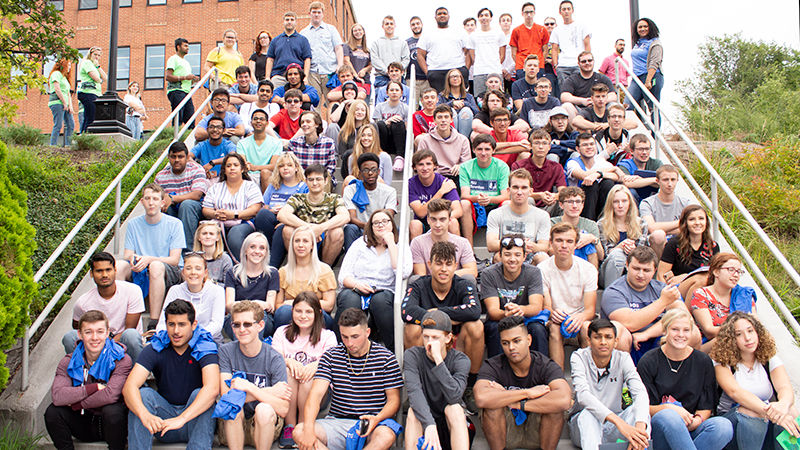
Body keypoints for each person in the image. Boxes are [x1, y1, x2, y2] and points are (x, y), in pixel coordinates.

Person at [293, 308, 403, 450]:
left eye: (355, 336)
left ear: (367, 332)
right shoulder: (331, 356)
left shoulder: (386, 358)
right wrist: (308, 429)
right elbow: (315, 395)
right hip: (337, 421)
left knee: (386, 435)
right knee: (300, 431)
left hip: (373, 421)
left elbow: (394, 401)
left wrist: (377, 419)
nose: (349, 343)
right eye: (344, 337)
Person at [123, 300, 219, 449]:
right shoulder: (158, 345)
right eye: (171, 324)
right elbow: (129, 386)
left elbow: (212, 388)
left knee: (200, 393)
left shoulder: (204, 345)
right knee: (143, 394)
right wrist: (144, 414)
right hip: (163, 423)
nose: (176, 331)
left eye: (182, 324)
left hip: (194, 420)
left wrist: (182, 418)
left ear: (193, 325)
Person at [402, 241, 483, 411]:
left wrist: (437, 312)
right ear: (430, 265)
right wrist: (448, 318)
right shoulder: (418, 284)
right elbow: (407, 312)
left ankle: (468, 387)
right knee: (411, 329)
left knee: (476, 326)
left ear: (455, 265)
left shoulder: (464, 284)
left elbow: (474, 311)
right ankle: (418, 388)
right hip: (427, 344)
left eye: (448, 264)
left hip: (455, 347)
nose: (444, 269)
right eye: (438, 263)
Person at [637, 309, 733, 450]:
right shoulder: (648, 361)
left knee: (723, 426)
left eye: (686, 330)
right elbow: (642, 407)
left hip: (690, 427)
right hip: (660, 428)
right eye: (675, 329)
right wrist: (669, 409)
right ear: (665, 330)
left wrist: (697, 420)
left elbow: (706, 407)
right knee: (669, 416)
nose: (681, 335)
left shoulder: (702, 361)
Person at [474, 315, 572, 450]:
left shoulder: (545, 365)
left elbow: (564, 399)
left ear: (529, 340)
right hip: (507, 432)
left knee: (555, 409)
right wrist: (527, 392)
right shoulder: (493, 365)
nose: (511, 347)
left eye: (516, 341)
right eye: (505, 343)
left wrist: (518, 404)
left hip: (537, 430)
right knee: (491, 407)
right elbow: (481, 398)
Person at [711, 312, 800, 450]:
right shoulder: (722, 362)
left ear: (758, 332)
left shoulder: (768, 358)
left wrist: (782, 406)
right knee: (752, 412)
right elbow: (736, 392)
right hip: (733, 423)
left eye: (750, 331)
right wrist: (774, 413)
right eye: (739, 334)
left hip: (766, 419)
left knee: (791, 411)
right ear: (731, 339)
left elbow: (785, 388)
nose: (747, 338)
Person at [45, 310, 132, 450]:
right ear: (80, 334)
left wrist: (77, 404)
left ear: (107, 332)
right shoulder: (68, 361)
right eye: (88, 332)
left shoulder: (121, 359)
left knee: (113, 411)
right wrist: (94, 387)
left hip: (112, 424)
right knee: (53, 412)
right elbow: (58, 396)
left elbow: (110, 394)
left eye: (99, 331)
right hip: (84, 422)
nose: (94, 337)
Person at [601, 246, 700, 360]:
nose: (640, 275)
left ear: (655, 270)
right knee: (618, 330)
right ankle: (622, 375)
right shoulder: (614, 291)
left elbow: (685, 318)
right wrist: (663, 301)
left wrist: (647, 334)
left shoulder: (661, 288)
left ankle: (677, 375)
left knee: (693, 333)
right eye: (636, 268)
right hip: (630, 342)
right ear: (627, 266)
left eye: (646, 270)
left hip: (657, 340)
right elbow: (629, 323)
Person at [569, 317, 651, 450]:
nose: (603, 342)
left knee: (641, 414)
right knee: (588, 414)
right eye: (597, 337)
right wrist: (619, 423)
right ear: (589, 340)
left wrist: (640, 429)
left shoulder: (623, 358)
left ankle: (639, 446)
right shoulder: (578, 357)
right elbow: (583, 396)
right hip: (585, 426)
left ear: (616, 341)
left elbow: (640, 391)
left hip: (614, 425)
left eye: (608, 337)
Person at [218, 300, 290, 450]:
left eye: (247, 324)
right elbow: (226, 397)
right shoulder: (226, 351)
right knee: (234, 408)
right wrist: (269, 391)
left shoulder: (274, 357)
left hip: (264, 425)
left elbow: (283, 408)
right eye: (236, 325)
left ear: (261, 326)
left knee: (264, 409)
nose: (241, 329)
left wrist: (249, 388)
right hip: (234, 424)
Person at [271, 292, 337, 448]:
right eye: (298, 311)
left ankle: (303, 425)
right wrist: (288, 361)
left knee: (309, 379)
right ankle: (290, 426)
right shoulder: (281, 332)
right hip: (288, 389)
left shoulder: (328, 336)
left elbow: (331, 363)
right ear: (292, 311)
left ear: (318, 313)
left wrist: (315, 366)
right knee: (288, 371)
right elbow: (275, 359)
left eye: (308, 311)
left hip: (317, 394)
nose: (303, 316)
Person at [338, 210, 411, 349]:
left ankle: (392, 350)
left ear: (392, 224)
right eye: (376, 222)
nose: (380, 225)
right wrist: (357, 284)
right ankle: (342, 349)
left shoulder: (400, 245)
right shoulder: (360, 244)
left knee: (380, 301)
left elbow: (404, 272)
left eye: (385, 221)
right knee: (349, 299)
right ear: (370, 227)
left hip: (384, 291)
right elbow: (343, 276)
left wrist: (391, 243)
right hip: (357, 288)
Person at [116, 184, 184, 330]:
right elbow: (128, 254)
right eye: (147, 198)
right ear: (142, 202)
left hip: (168, 270)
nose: (151, 202)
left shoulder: (175, 224)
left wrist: (149, 259)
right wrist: (135, 261)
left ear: (162, 202)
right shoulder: (134, 224)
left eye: (155, 199)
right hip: (140, 266)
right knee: (119, 266)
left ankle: (154, 321)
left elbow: (174, 260)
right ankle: (119, 315)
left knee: (155, 266)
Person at [403, 310, 472, 450]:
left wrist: (438, 360)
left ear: (448, 338)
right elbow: (414, 393)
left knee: (455, 409)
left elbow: (455, 396)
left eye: (435, 337)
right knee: (412, 411)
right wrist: (429, 424)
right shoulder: (412, 355)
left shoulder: (461, 360)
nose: (429, 342)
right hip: (425, 422)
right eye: (426, 337)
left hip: (449, 425)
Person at [63, 252, 144, 360]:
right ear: (91, 274)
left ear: (115, 270)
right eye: (99, 271)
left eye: (108, 270)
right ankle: (82, 374)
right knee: (70, 337)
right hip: (96, 345)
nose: (104, 275)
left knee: (131, 335)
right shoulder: (83, 302)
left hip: (124, 344)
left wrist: (107, 342)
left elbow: (129, 328)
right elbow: (78, 327)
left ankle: (137, 374)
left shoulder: (133, 291)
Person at [539, 223, 598, 368]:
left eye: (569, 241)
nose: (564, 245)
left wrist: (579, 318)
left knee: (586, 327)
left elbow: (590, 310)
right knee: (554, 328)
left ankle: (587, 375)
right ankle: (558, 377)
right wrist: (553, 313)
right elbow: (546, 306)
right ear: (551, 243)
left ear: (576, 244)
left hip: (580, 318)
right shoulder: (542, 269)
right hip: (556, 320)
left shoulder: (588, 269)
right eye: (559, 240)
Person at [481, 234, 547, 357]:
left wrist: (520, 309)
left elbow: (536, 307)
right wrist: (506, 314)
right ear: (500, 255)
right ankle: (497, 372)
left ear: (524, 256)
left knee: (537, 329)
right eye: (507, 254)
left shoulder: (534, 272)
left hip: (525, 319)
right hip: (500, 319)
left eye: (517, 255)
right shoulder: (489, 273)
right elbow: (493, 311)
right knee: (494, 328)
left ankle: (541, 370)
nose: (512, 259)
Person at [275, 165, 349, 266]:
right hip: (302, 241)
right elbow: (282, 214)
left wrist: (320, 228)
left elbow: (345, 216)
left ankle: (324, 270)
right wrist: (308, 228)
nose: (314, 183)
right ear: (306, 181)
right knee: (287, 230)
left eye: (318, 179)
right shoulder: (298, 198)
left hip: (326, 243)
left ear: (326, 180)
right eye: (311, 179)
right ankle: (300, 266)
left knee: (337, 232)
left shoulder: (334, 198)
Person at [274, 226, 338, 332]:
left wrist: (298, 304)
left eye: (305, 241)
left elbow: (329, 305)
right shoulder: (283, 272)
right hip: (291, 317)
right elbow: (278, 305)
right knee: (283, 312)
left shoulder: (324, 270)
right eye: (297, 241)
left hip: (317, 317)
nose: (300, 245)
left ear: (312, 245)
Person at [201, 153, 263, 260]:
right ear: (224, 170)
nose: (232, 168)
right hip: (218, 222)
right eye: (228, 166)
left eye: (235, 165)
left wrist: (234, 214)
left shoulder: (250, 186)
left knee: (235, 235)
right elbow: (206, 209)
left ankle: (242, 268)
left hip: (243, 222)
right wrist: (215, 214)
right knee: (207, 234)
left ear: (242, 169)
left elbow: (255, 209)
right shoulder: (216, 187)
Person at [691, 253, 755, 352]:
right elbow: (709, 331)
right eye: (731, 270)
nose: (736, 275)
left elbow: (755, 324)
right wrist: (739, 330)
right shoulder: (701, 295)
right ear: (716, 272)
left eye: (739, 271)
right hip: (711, 345)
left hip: (742, 343)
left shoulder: (744, 295)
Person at [486, 168, 551, 265]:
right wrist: (519, 243)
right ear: (509, 190)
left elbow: (544, 246)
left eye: (524, 188)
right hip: (506, 253)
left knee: (543, 257)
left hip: (530, 255)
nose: (519, 192)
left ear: (530, 191)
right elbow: (491, 245)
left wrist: (531, 246)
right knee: (498, 257)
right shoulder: (496, 214)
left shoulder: (542, 215)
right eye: (515, 187)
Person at [157, 252, 225, 342]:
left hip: (208, 340)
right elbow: (162, 323)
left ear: (205, 273)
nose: (193, 272)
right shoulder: (175, 290)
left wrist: (192, 337)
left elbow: (217, 325)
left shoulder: (217, 291)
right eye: (188, 268)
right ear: (183, 272)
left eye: (198, 269)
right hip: (177, 340)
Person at [224, 232, 280, 340]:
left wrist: (244, 305)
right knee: (241, 319)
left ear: (266, 252)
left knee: (260, 314)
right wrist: (255, 304)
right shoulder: (233, 272)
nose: (257, 251)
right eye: (252, 247)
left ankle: (251, 353)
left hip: (262, 320)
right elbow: (229, 306)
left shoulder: (272, 273)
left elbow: (270, 306)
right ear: (245, 250)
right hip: (235, 318)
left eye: (262, 248)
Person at [657, 204, 720, 299]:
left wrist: (686, 276)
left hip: (704, 290)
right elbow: (661, 275)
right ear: (685, 223)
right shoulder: (674, 244)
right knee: (700, 281)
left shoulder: (713, 246)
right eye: (692, 219)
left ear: (706, 222)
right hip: (679, 290)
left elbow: (715, 274)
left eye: (701, 219)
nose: (697, 222)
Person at [459, 134, 510, 245]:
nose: (483, 153)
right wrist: (477, 198)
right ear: (473, 150)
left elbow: (505, 195)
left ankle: (504, 248)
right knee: (464, 203)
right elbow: (464, 195)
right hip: (475, 204)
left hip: (495, 204)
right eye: (479, 149)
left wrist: (489, 199)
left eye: (487, 149)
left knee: (507, 203)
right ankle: (469, 249)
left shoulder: (502, 166)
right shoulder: (465, 167)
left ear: (493, 150)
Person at [156, 142, 208, 248]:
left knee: (186, 205)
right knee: (164, 207)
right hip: (173, 209)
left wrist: (172, 198)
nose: (177, 160)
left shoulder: (196, 169)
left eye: (180, 156)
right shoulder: (161, 176)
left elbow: (197, 195)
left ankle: (188, 251)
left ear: (187, 157)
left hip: (194, 209)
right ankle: (168, 249)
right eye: (173, 157)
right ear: (168, 157)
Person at [411, 199, 477, 280]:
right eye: (433, 219)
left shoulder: (462, 242)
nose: (438, 224)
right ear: (428, 220)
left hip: (455, 285)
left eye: (442, 219)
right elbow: (421, 275)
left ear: (449, 220)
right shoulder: (418, 242)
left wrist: (445, 274)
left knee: (470, 278)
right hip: (429, 287)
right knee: (415, 279)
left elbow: (472, 271)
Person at [254, 152, 308, 252]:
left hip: (291, 221)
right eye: (281, 166)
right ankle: (265, 248)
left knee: (282, 228)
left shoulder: (303, 187)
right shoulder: (273, 185)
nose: (285, 168)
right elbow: (264, 206)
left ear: (296, 167)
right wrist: (271, 209)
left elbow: (304, 211)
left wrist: (284, 219)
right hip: (272, 220)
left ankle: (273, 264)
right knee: (263, 214)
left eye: (289, 165)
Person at [342, 153, 398, 251]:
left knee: (396, 229)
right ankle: (351, 262)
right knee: (350, 229)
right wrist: (368, 226)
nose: (370, 173)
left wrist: (376, 226)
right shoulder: (350, 190)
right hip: (360, 228)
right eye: (366, 170)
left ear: (379, 171)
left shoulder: (390, 191)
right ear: (360, 173)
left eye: (374, 169)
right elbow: (352, 217)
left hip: (381, 228)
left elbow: (389, 216)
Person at [597, 185, 649, 287]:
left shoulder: (641, 223)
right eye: (616, 202)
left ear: (630, 203)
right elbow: (604, 255)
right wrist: (620, 247)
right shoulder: (601, 224)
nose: (620, 205)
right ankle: (612, 295)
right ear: (610, 204)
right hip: (608, 271)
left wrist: (634, 251)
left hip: (633, 269)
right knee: (618, 254)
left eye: (624, 201)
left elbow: (643, 254)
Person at [639, 165, 694, 257]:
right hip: (655, 247)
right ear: (657, 181)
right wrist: (682, 222)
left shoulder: (685, 203)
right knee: (658, 235)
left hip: (680, 242)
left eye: (673, 180)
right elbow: (652, 228)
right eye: (665, 180)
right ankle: (660, 269)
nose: (669, 184)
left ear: (677, 181)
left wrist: (663, 228)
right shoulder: (647, 203)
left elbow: (691, 227)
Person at [565, 132, 622, 221]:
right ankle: (589, 222)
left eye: (592, 144)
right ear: (578, 149)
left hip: (599, 202)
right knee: (591, 184)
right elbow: (584, 175)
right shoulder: (573, 162)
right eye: (585, 145)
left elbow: (617, 177)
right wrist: (612, 169)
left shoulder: (600, 162)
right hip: (579, 203)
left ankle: (605, 220)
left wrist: (600, 174)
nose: (589, 147)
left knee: (608, 183)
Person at [408, 149, 462, 239]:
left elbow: (458, 210)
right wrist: (441, 192)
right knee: (414, 224)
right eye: (421, 164)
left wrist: (440, 219)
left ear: (435, 166)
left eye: (428, 164)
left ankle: (457, 252)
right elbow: (420, 213)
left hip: (443, 222)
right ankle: (415, 253)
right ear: (414, 167)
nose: (425, 168)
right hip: (423, 223)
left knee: (453, 222)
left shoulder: (445, 182)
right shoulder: (411, 183)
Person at [300, 1, 344, 111]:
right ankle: (317, 128)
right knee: (315, 105)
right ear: (309, 13)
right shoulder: (303, 33)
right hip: (312, 73)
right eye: (314, 12)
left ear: (323, 14)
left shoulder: (331, 30)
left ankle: (332, 128)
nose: (316, 14)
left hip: (330, 72)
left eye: (319, 12)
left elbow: (338, 48)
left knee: (332, 104)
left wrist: (340, 65)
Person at [416, 7, 472, 93]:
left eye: (444, 13)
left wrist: (466, 69)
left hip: (457, 70)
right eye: (439, 14)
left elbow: (468, 51)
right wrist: (427, 72)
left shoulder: (459, 32)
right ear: (435, 17)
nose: (442, 15)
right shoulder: (427, 34)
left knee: (460, 100)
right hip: (436, 72)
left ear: (449, 16)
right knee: (441, 103)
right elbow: (420, 54)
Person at [511, 129, 566, 215]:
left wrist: (553, 196)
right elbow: (516, 192)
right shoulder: (519, 166)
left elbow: (563, 191)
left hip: (549, 205)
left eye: (544, 143)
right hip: (528, 205)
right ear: (531, 146)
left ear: (549, 147)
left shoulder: (556, 167)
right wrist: (540, 195)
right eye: (537, 143)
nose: (540, 147)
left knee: (562, 201)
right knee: (527, 199)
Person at [416, 105, 472, 186]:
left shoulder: (463, 140)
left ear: (451, 119)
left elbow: (467, 164)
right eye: (440, 117)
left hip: (455, 175)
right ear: (434, 120)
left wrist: (460, 166)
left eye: (446, 117)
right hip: (433, 176)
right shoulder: (425, 140)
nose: (443, 120)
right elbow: (420, 163)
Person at [551, 187, 603, 267]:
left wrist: (593, 239)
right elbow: (549, 249)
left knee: (589, 243)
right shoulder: (552, 223)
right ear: (561, 205)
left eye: (578, 202)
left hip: (585, 264)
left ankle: (591, 278)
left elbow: (601, 256)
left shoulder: (591, 225)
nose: (574, 206)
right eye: (570, 202)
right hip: (559, 261)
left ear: (582, 205)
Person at [626, 18, 664, 127]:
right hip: (636, 78)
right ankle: (629, 132)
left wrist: (648, 80)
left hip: (651, 76)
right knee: (627, 104)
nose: (642, 29)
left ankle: (654, 136)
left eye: (645, 26)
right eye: (640, 27)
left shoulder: (655, 43)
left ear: (650, 27)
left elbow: (654, 62)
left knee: (652, 106)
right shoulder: (637, 44)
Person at [560, 52, 617, 121]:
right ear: (579, 64)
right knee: (566, 106)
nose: (587, 63)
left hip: (601, 110)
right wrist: (582, 101)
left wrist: (598, 101)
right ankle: (575, 131)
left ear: (593, 62)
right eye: (584, 61)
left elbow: (613, 96)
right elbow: (564, 96)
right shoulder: (572, 79)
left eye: (589, 60)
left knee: (613, 105)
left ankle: (611, 131)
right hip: (579, 111)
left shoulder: (603, 78)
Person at [237, 108, 283, 192]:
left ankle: (266, 203)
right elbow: (243, 163)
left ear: (267, 123)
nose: (258, 121)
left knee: (265, 173)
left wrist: (255, 167)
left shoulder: (276, 143)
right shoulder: (242, 143)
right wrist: (247, 166)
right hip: (248, 175)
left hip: (267, 176)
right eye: (255, 119)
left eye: (261, 119)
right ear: (251, 123)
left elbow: (273, 166)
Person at [549, 0, 591, 88]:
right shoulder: (557, 30)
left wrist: (587, 62)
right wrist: (556, 65)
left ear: (572, 10)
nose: (566, 11)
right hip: (563, 65)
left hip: (578, 64)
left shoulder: (582, 26)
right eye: (564, 9)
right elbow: (554, 49)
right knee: (565, 91)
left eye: (568, 9)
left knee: (580, 89)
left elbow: (587, 45)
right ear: (560, 12)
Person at [287, 111, 337, 185]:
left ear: (316, 124)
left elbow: (331, 167)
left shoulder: (328, 143)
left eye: (308, 121)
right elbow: (292, 166)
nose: (304, 124)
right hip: (301, 180)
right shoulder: (294, 143)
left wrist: (316, 179)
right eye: (302, 122)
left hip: (322, 180)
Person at [266, 12, 312, 88]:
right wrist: (267, 77)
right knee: (275, 98)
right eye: (287, 20)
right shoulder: (275, 40)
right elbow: (270, 59)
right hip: (279, 77)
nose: (289, 22)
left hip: (297, 77)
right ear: (283, 22)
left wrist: (305, 77)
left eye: (292, 20)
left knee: (296, 99)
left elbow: (307, 59)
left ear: (296, 22)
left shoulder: (303, 40)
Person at [469, 7, 506, 100]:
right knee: (479, 99)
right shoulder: (473, 35)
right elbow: (472, 55)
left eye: (486, 15)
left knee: (498, 98)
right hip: (479, 72)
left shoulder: (499, 33)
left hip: (495, 70)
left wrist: (495, 63)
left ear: (491, 18)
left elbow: (502, 54)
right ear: (478, 18)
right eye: (481, 16)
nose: (484, 18)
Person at [509, 2, 549, 81]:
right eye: (526, 12)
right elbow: (513, 53)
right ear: (522, 14)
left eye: (531, 12)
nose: (529, 15)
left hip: (538, 66)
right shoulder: (516, 30)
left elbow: (545, 49)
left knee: (539, 89)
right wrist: (521, 63)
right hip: (522, 66)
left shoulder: (542, 29)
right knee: (523, 89)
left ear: (534, 13)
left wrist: (539, 62)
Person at [617, 133, 663, 201]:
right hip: (633, 200)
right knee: (630, 191)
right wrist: (654, 180)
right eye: (640, 149)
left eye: (647, 149)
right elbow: (627, 183)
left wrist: (640, 180)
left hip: (653, 200)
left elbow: (664, 182)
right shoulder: (625, 164)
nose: (644, 152)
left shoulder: (656, 164)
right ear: (632, 151)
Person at [166, 38, 200, 128]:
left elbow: (186, 79)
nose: (187, 48)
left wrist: (192, 80)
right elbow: (168, 76)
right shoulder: (173, 59)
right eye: (185, 46)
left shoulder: (186, 63)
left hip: (186, 92)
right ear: (178, 47)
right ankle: (174, 137)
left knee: (190, 118)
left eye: (188, 46)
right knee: (178, 118)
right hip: (176, 91)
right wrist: (185, 77)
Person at [370, 15, 410, 88]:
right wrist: (388, 71)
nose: (389, 26)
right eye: (387, 24)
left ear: (395, 26)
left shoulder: (402, 43)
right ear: (383, 26)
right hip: (381, 78)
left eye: (391, 24)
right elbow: (375, 59)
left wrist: (397, 71)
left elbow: (406, 59)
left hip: (399, 79)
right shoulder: (376, 43)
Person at [372, 81, 409, 158]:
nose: (394, 92)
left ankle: (400, 156)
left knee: (398, 123)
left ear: (401, 92)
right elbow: (375, 126)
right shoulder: (380, 107)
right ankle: (380, 154)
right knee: (381, 124)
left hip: (398, 138)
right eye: (391, 90)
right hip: (384, 139)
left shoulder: (405, 108)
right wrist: (388, 121)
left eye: (397, 90)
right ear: (387, 93)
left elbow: (407, 127)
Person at [438, 69, 477, 139]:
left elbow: (476, 112)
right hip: (447, 131)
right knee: (451, 111)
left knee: (466, 111)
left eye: (457, 76)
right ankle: (453, 139)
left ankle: (462, 141)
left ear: (461, 79)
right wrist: (451, 104)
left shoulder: (469, 96)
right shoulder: (442, 96)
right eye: (452, 76)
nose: (455, 78)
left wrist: (464, 104)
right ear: (448, 80)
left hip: (466, 129)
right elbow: (436, 109)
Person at [193, 220, 233, 285]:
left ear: (217, 237)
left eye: (211, 234)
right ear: (199, 237)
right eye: (204, 233)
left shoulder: (225, 259)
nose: (208, 236)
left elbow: (229, 286)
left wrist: (211, 284)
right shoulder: (193, 259)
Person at [77, 46, 106, 133]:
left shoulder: (95, 65)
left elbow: (105, 78)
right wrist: (100, 81)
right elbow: (96, 78)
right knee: (91, 117)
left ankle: (84, 135)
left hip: (95, 94)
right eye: (95, 54)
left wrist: (98, 67)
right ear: (90, 54)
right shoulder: (87, 63)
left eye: (99, 55)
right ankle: (86, 135)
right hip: (88, 93)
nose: (97, 57)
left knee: (89, 116)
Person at [48, 58, 74, 147]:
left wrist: (70, 105)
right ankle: (53, 145)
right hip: (57, 102)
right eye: (68, 65)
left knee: (71, 124)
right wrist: (64, 102)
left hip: (65, 104)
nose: (69, 67)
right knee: (58, 124)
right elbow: (57, 89)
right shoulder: (56, 74)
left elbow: (68, 93)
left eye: (70, 66)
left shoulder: (65, 78)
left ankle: (68, 145)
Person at [407, 15, 431, 106]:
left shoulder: (428, 40)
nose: (416, 26)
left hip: (426, 78)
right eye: (413, 24)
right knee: (413, 105)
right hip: (412, 78)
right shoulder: (407, 42)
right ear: (410, 27)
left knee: (428, 105)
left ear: (422, 24)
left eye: (417, 23)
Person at [337, 98, 369, 163]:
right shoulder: (344, 131)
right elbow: (343, 154)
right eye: (357, 110)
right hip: (350, 162)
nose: (360, 112)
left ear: (366, 113)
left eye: (363, 110)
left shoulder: (371, 128)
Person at [498, 13, 515, 93]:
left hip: (512, 71)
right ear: (499, 23)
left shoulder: (514, 36)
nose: (505, 22)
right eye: (503, 20)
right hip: (499, 70)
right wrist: (502, 69)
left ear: (511, 23)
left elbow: (516, 55)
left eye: (508, 20)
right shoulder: (497, 37)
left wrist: (509, 70)